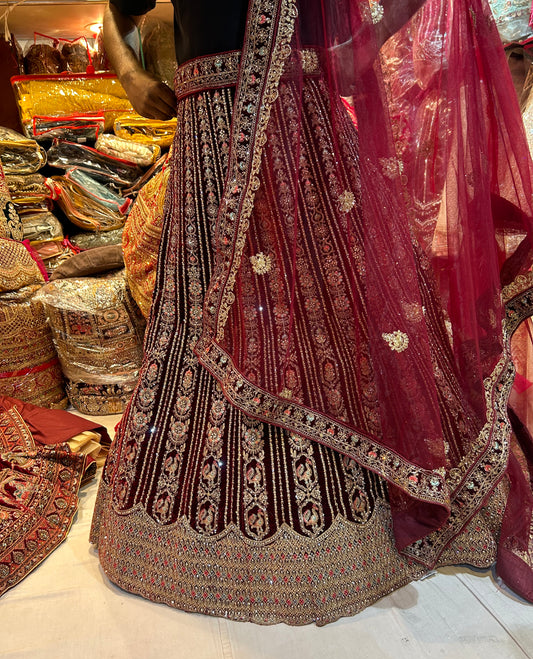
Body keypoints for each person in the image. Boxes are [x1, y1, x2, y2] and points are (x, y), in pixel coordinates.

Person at [91, 0, 533, 625]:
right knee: (197, 312)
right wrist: (130, 74)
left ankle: (345, 521)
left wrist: (366, 39)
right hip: (205, 142)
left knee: (319, 314)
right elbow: (118, 12)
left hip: (297, 125)